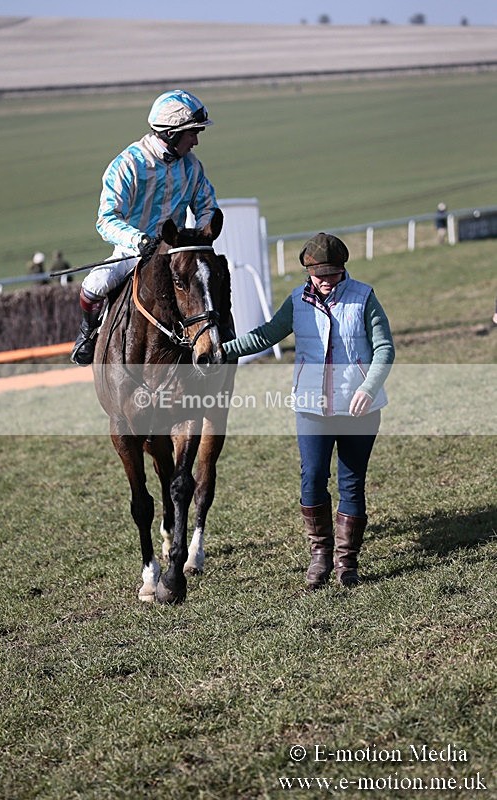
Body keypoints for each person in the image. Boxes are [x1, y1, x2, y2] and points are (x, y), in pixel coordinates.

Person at [223, 233, 395, 589]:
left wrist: (368, 387)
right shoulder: (296, 302)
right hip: (311, 407)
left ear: (343, 269)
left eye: (334, 274)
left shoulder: (364, 298)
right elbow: (266, 334)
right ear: (308, 272)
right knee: (313, 478)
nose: (328, 282)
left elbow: (384, 349)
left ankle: (347, 563)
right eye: (321, 276)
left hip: (358, 409)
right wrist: (222, 350)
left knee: (352, 483)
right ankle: (320, 556)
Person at [71, 89, 219, 366]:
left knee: (212, 281)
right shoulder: (127, 165)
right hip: (134, 253)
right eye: (193, 133)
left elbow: (208, 206)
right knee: (94, 285)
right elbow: (106, 219)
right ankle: (88, 333)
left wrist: (200, 235)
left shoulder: (193, 167)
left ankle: (222, 336)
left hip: (178, 253)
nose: (196, 141)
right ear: (172, 133)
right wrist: (139, 241)